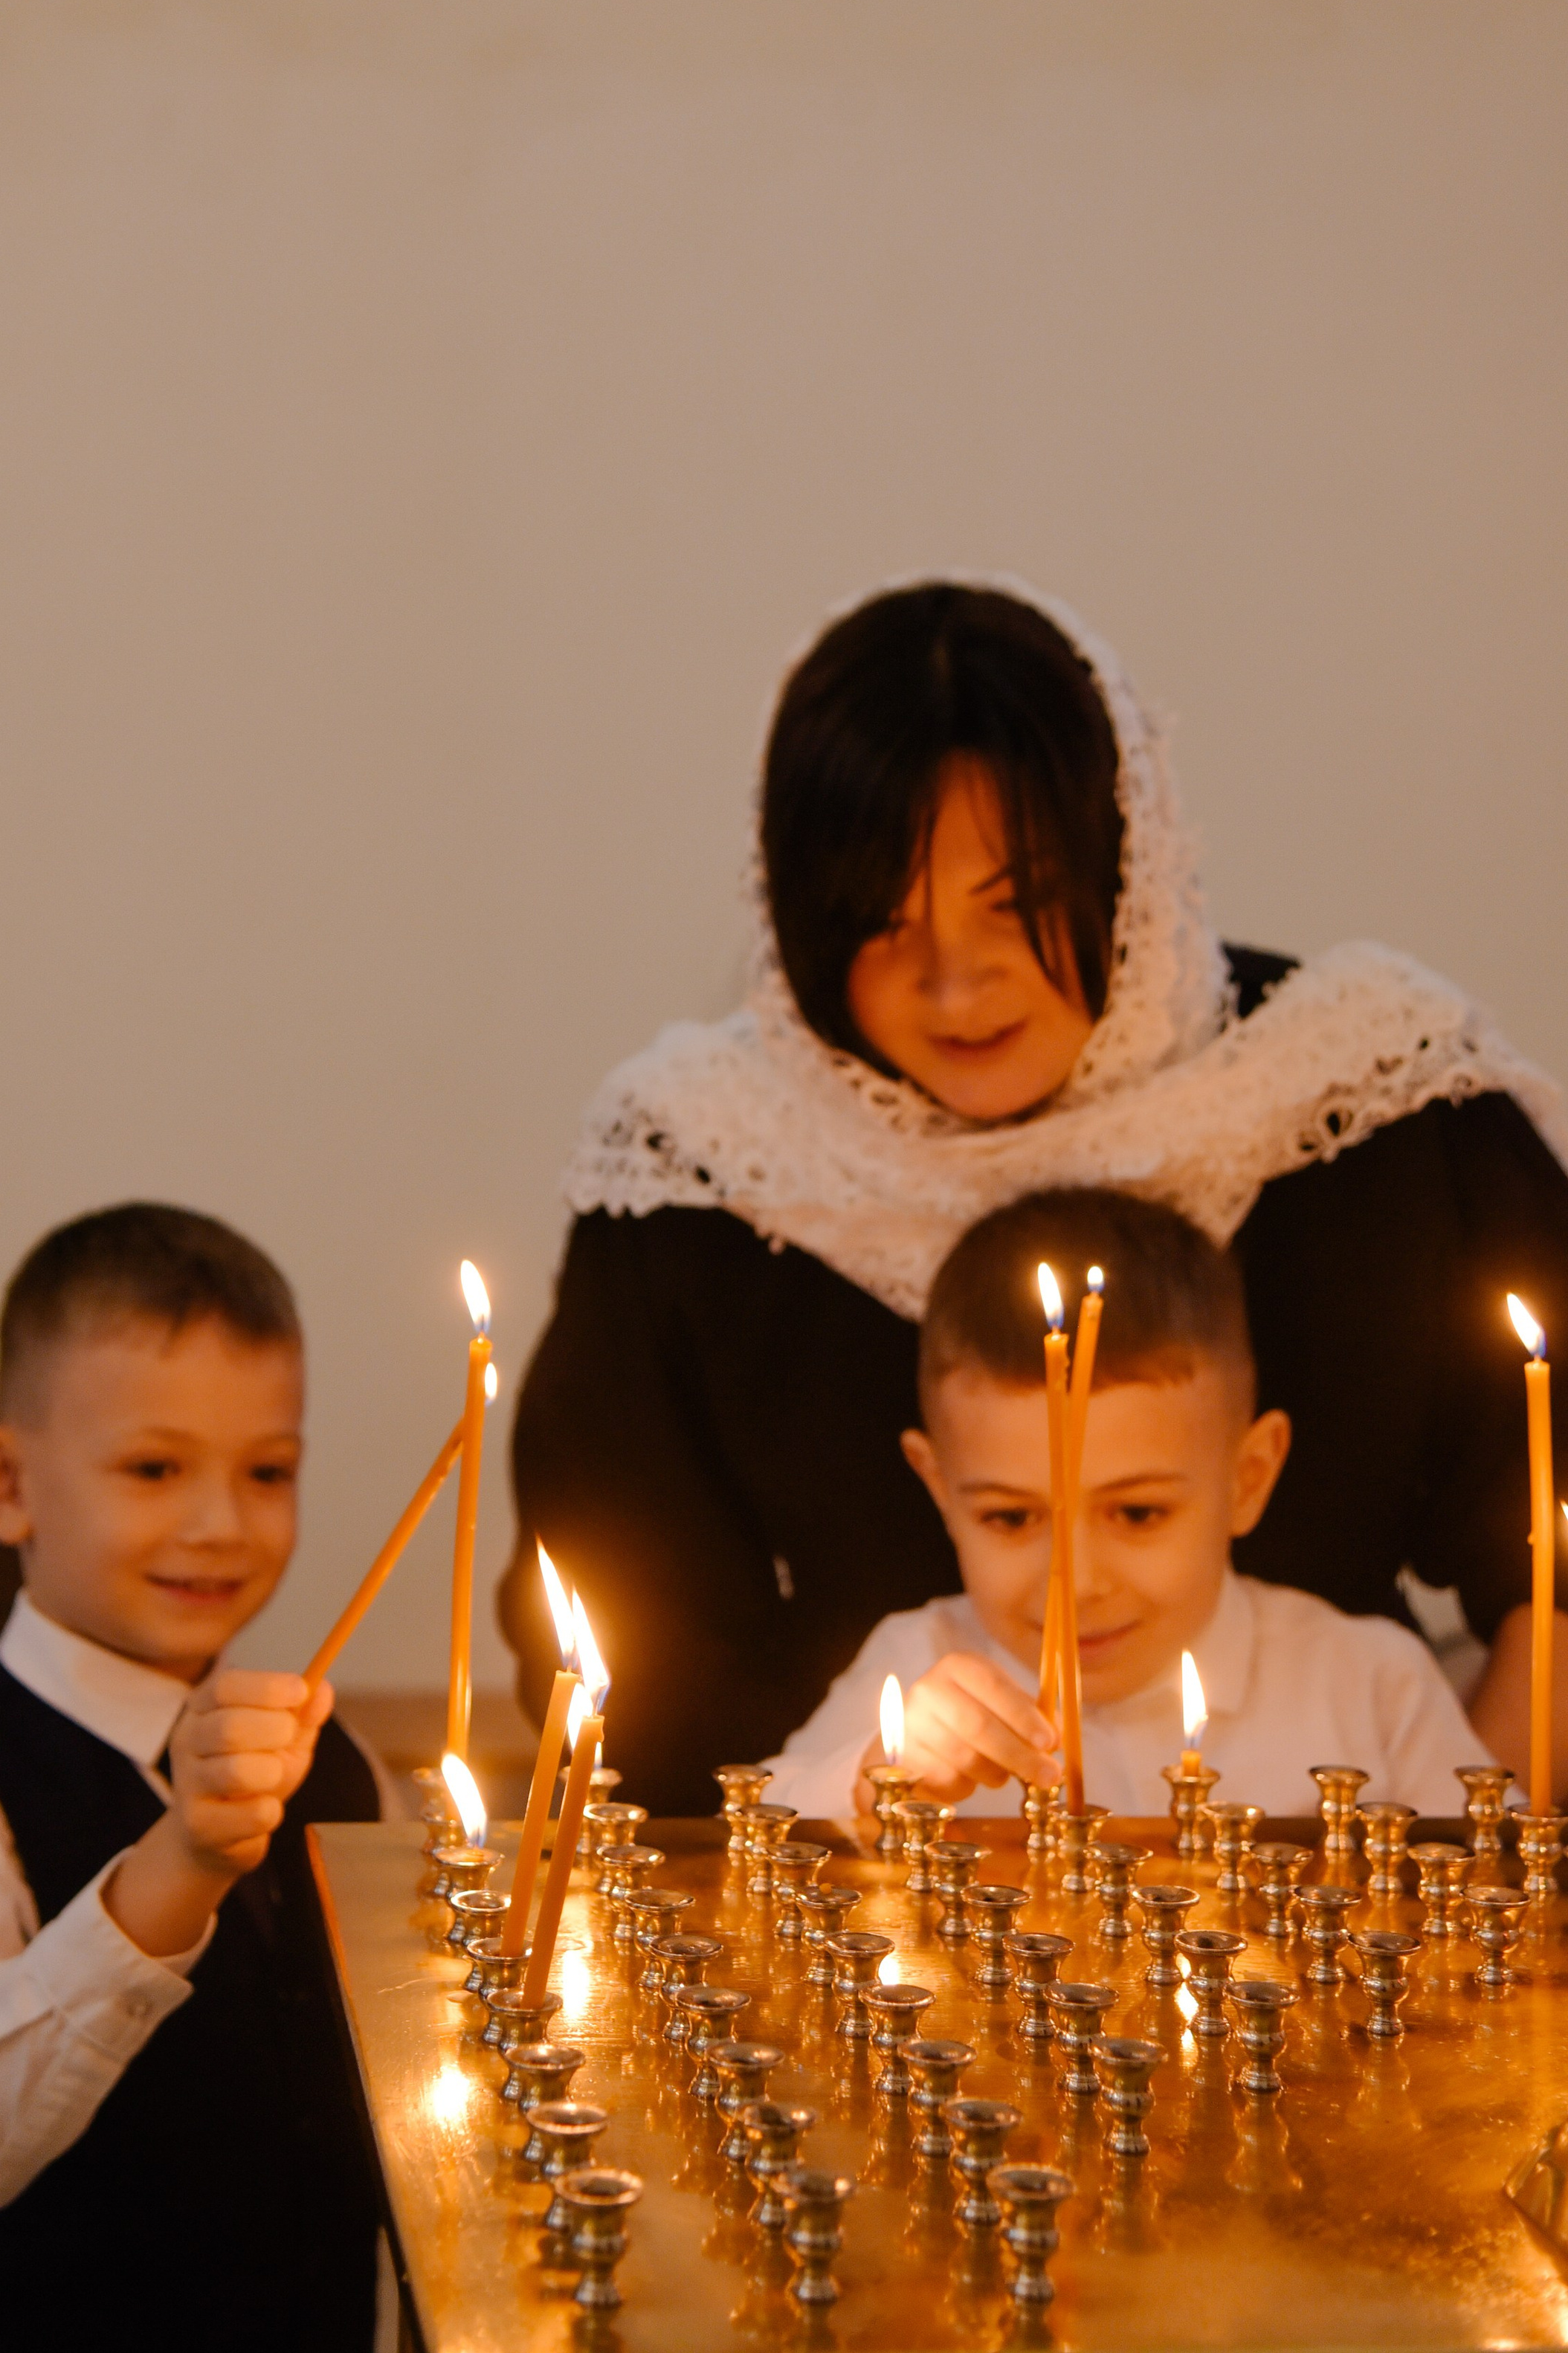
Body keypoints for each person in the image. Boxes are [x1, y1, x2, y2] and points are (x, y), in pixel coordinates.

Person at [500, 578, 1568, 1814]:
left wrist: (1472, 1854)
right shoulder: (702, 1171)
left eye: (1015, 905)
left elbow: (1549, 1558)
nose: (955, 989)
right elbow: (626, 1654)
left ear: (1129, 860)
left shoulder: (1365, 1103)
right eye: (879, 922)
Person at [0, 1203, 384, 2353]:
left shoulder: (344, 1760)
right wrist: (180, 1862)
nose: (222, 1522)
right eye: (154, 1465)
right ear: (1, 1481)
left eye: (268, 1469)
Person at [765, 1188, 1497, 1822]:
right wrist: (872, 1777)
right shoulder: (917, 1662)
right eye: (1011, 1518)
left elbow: (1493, 1890)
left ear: (1247, 1478)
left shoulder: (1368, 1683)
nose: (1077, 1583)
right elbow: (755, 1830)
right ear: (938, 1490)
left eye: (1139, 1513)